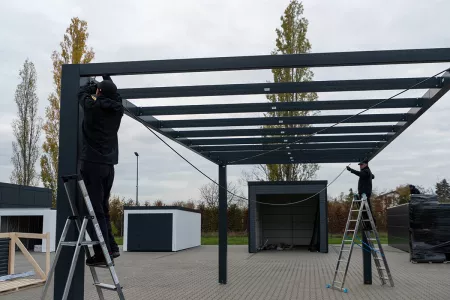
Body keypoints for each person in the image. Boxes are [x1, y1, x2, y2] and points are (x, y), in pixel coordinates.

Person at [78, 75, 124, 266]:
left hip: (92, 165)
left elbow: (81, 94)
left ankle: (102, 253)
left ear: (99, 92)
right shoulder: (118, 111)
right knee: (103, 208)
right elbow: (117, 97)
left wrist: (92, 87)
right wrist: (106, 80)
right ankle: (111, 248)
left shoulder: (92, 108)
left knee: (94, 212)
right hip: (109, 167)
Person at [346, 158, 375, 229]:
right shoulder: (367, 172)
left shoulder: (366, 171)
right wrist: (371, 175)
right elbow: (373, 176)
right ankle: (368, 225)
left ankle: (371, 225)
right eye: (360, 165)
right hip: (363, 192)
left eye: (361, 164)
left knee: (366, 210)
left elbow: (360, 174)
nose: (360, 166)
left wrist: (351, 170)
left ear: (366, 164)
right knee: (364, 210)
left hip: (364, 193)